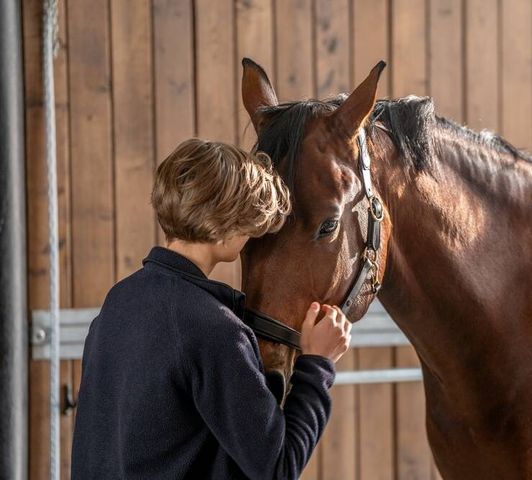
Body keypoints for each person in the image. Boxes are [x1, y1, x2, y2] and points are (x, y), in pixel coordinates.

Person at [71, 138, 352, 479]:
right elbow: (278, 467)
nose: (255, 235)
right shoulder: (214, 331)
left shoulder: (119, 301)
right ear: (228, 230)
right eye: (251, 226)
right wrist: (318, 364)